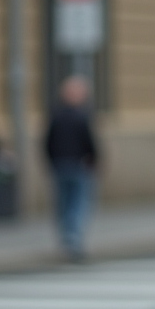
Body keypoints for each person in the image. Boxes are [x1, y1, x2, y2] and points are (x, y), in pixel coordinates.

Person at [45, 75, 98, 260]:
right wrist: (94, 160)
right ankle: (73, 240)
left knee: (63, 204)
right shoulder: (81, 116)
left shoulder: (56, 115)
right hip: (77, 165)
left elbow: (48, 142)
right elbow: (90, 143)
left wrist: (51, 161)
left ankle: (66, 239)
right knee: (77, 203)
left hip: (60, 164)